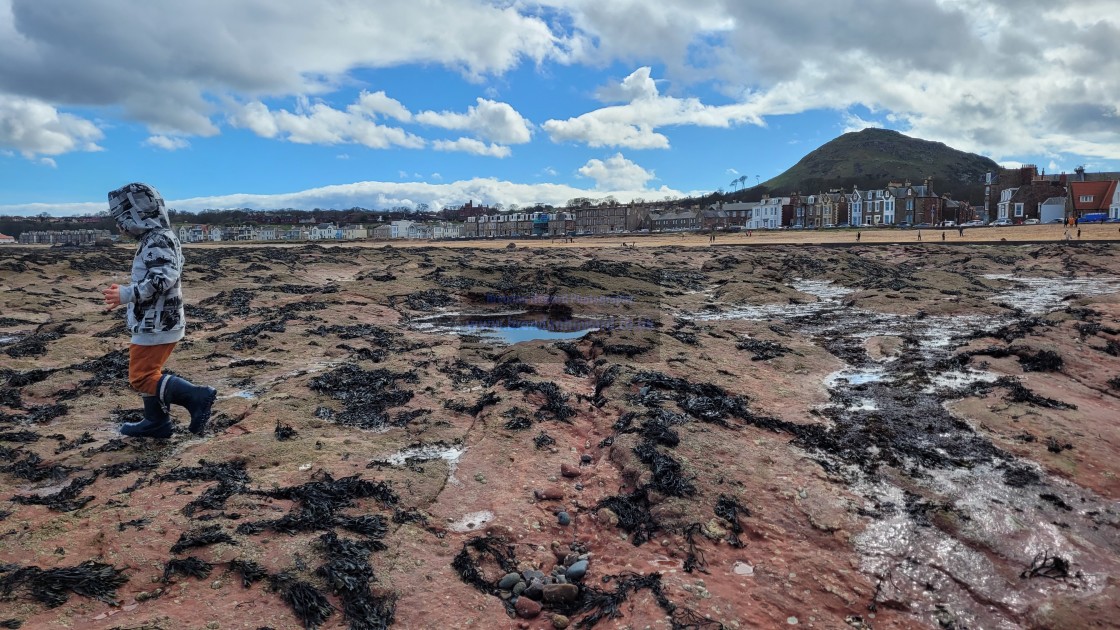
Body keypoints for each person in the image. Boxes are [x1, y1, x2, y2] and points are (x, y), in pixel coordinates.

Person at [102, 183, 217, 439]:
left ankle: (197, 396)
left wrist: (126, 294)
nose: (120, 227)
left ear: (137, 214)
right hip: (160, 321)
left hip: (157, 323)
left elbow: (163, 279)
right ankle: (156, 421)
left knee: (141, 377)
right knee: (149, 373)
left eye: (122, 220)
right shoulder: (160, 236)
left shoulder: (157, 239)